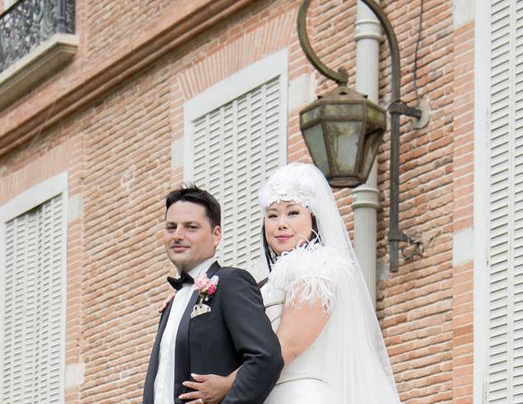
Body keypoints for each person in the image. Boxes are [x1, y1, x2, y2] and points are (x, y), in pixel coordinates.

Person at [183, 163, 402, 403]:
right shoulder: (261, 279)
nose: (281, 224)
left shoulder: (317, 268)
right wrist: (185, 297)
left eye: (293, 212)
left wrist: (228, 383)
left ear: (313, 217)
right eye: (272, 215)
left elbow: (287, 346)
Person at [142, 185, 283, 404]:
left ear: (216, 235)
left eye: (191, 227)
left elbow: (265, 358)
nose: (177, 236)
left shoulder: (230, 282)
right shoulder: (172, 303)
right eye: (171, 228)